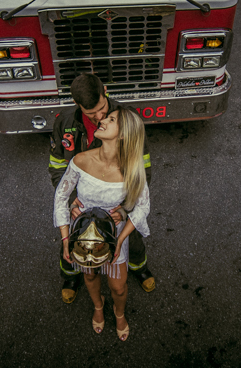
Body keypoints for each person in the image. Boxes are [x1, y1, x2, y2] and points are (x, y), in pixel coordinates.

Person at [48, 73, 155, 303]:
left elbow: (142, 169)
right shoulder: (64, 123)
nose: (99, 118)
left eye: (102, 109)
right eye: (90, 114)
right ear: (77, 105)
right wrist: (71, 203)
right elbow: (57, 165)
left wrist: (126, 209)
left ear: (105, 91)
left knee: (130, 241)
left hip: (118, 207)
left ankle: (139, 267)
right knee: (75, 242)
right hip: (82, 206)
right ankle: (70, 276)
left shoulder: (126, 118)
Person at [54, 107, 150, 341]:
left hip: (113, 235)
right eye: (106, 117)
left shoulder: (132, 169)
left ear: (125, 134)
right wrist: (67, 239)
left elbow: (143, 206)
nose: (102, 120)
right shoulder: (81, 159)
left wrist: (121, 235)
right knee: (89, 276)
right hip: (83, 235)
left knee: (118, 286)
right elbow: (60, 196)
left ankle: (119, 312)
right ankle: (98, 306)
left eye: (111, 119)